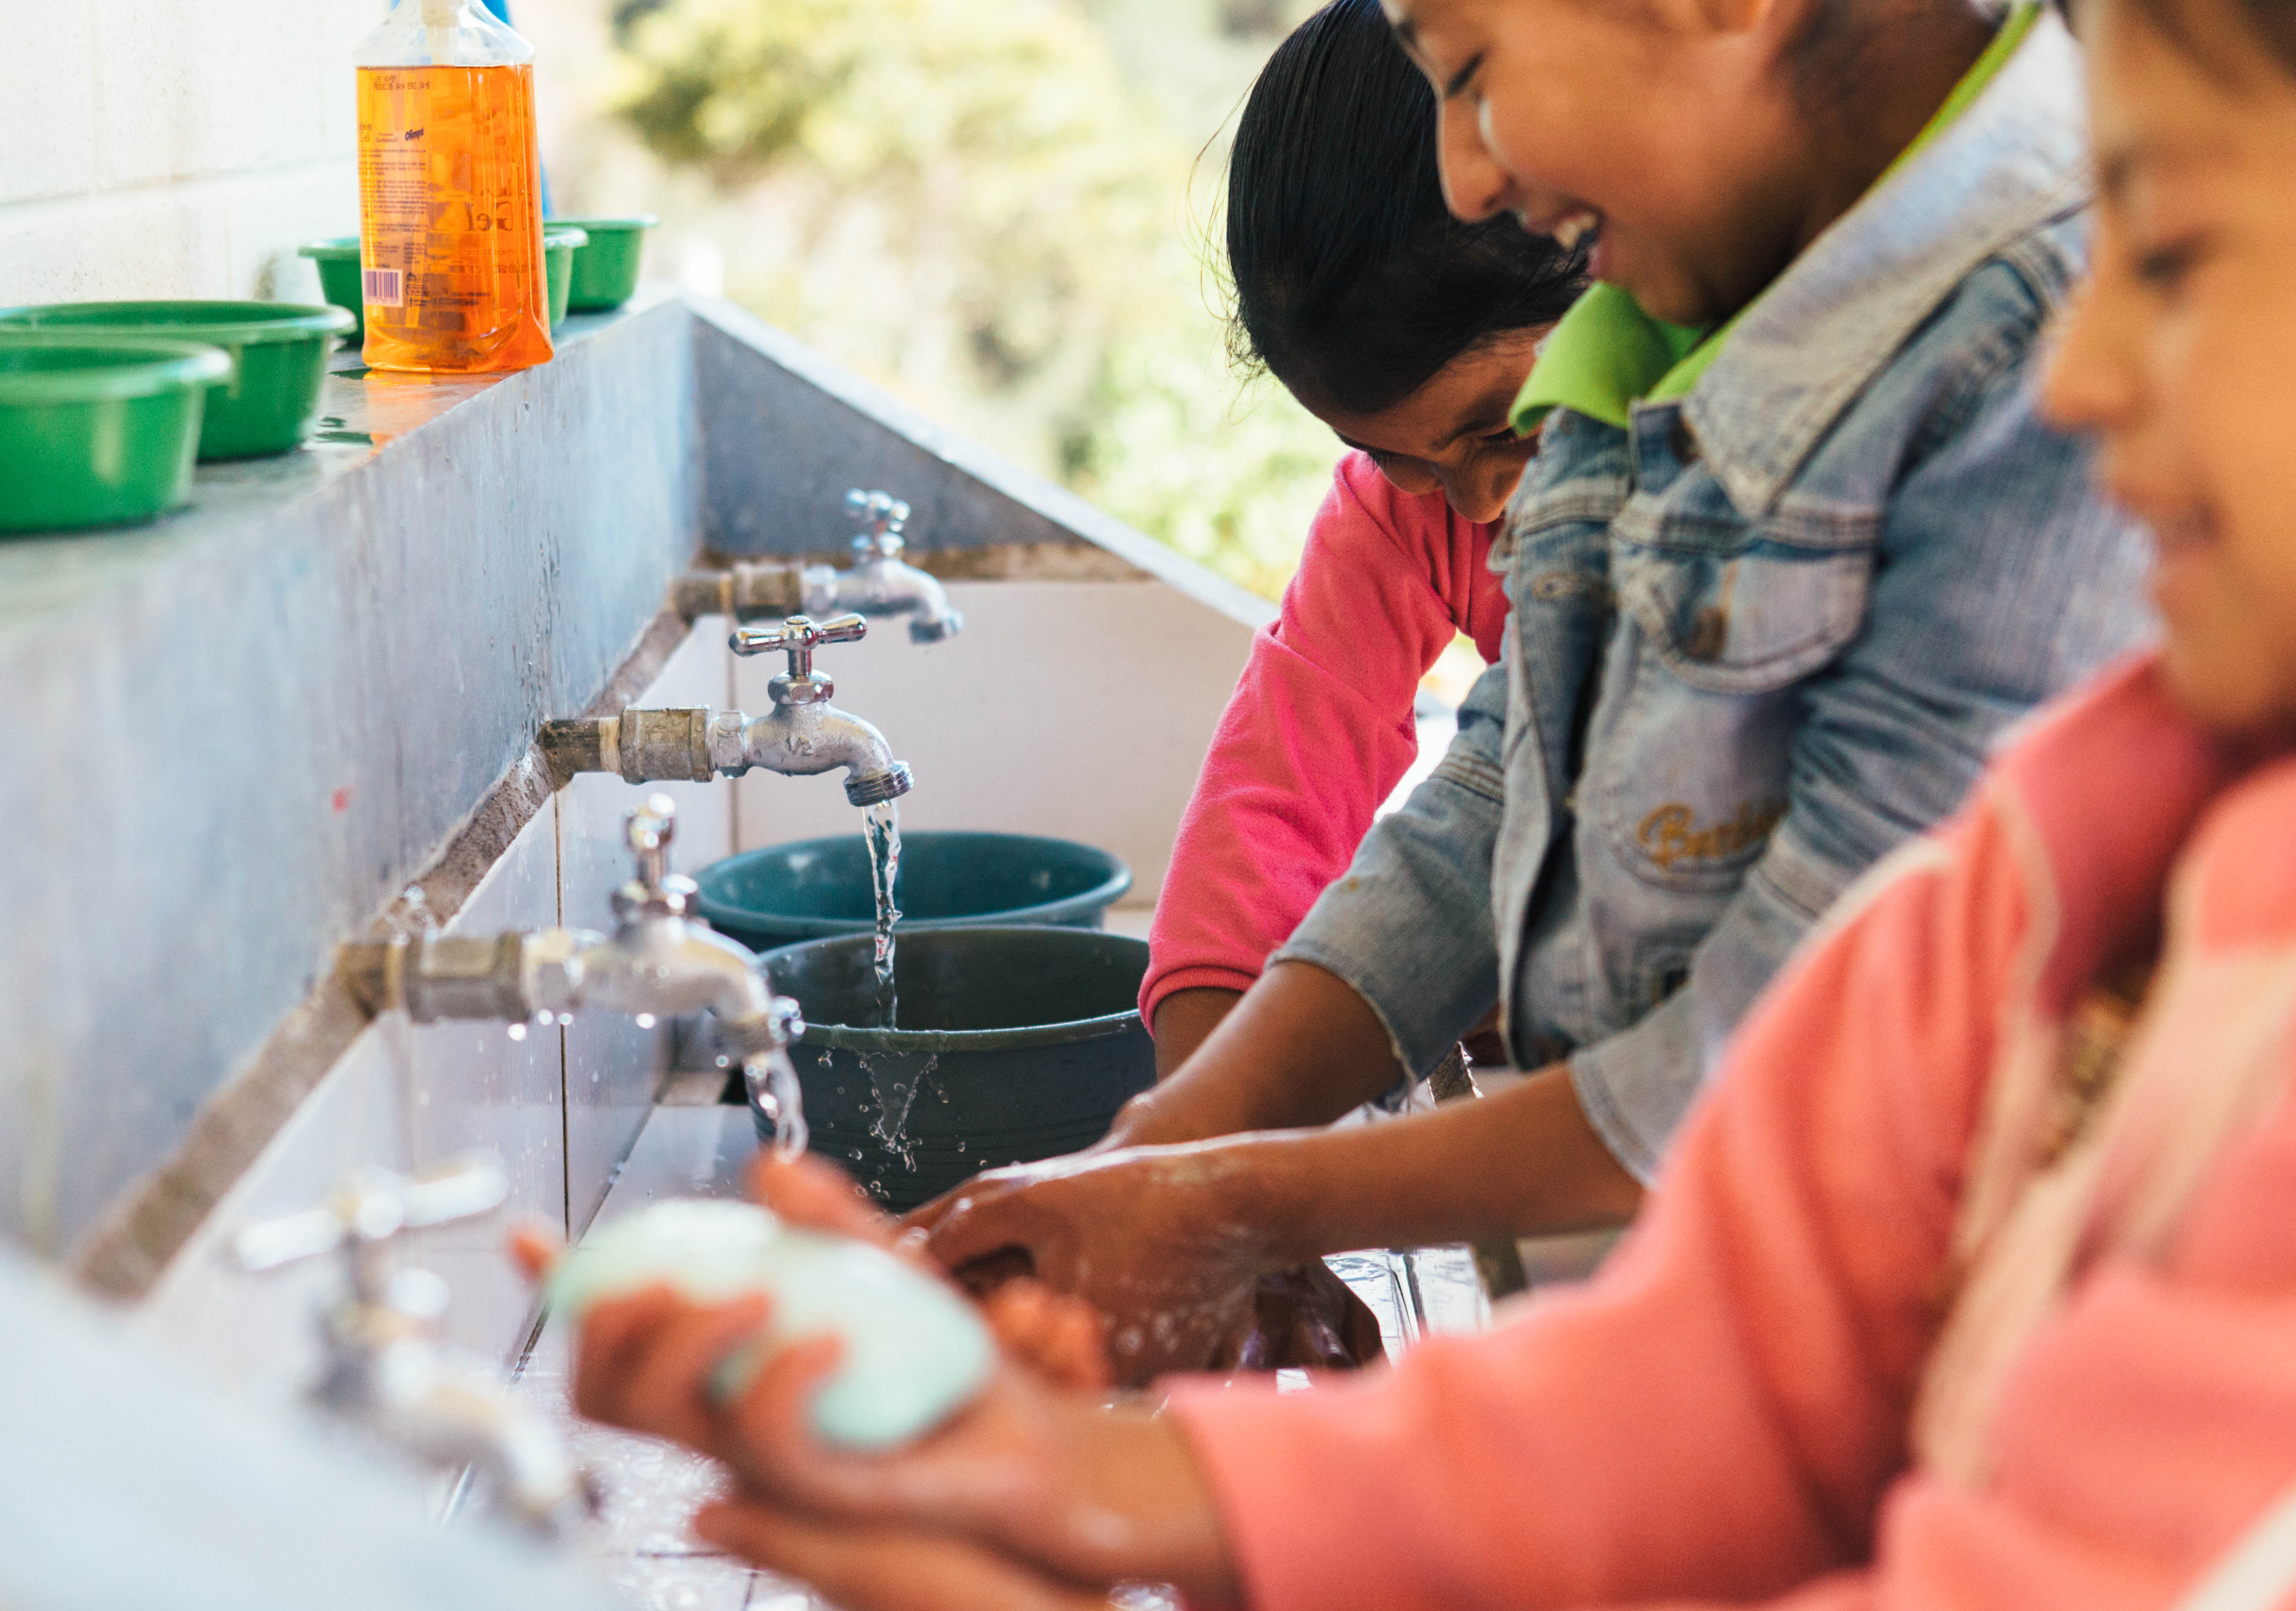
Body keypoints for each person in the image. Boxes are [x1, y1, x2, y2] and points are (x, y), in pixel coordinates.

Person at [540, 1, 2296, 1602]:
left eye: (2177, 251)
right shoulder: (2030, 853)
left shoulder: (1984, 399)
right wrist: (1152, 1265)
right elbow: (1727, 1368)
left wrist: (1241, 1215)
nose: (1470, 168)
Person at [904, 0, 2155, 1385]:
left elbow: (1796, 1050)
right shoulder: (1650, 324)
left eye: (1472, 74)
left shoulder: (2042, 342)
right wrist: (1176, 1144)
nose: (1466, 178)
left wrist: (1232, 1200)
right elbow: (1507, 777)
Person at [1139, 0, 1583, 1082]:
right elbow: (1267, 809)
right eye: (1397, 455)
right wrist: (1191, 1170)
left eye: (1505, 425)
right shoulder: (1404, 514)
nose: (1471, 505)